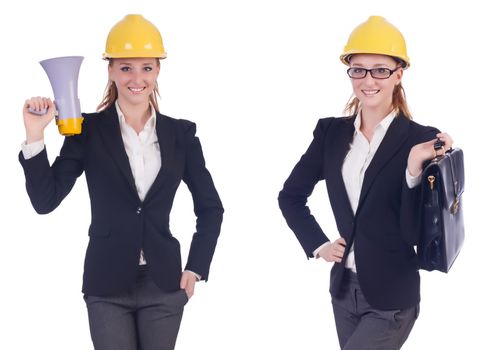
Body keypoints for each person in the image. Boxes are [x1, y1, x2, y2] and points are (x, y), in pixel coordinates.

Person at [19, 14, 223, 350]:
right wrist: (35, 136)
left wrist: (196, 267)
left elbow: (211, 207)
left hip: (164, 284)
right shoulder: (86, 130)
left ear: (158, 71)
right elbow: (45, 201)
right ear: (111, 71)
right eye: (126, 67)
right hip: (106, 285)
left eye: (146, 67)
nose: (136, 78)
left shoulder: (181, 134)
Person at [278, 16, 453, 349]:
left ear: (399, 74)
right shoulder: (330, 133)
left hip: (392, 297)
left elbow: (415, 232)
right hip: (344, 292)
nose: (368, 80)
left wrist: (415, 168)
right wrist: (320, 245)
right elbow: (290, 196)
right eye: (358, 69)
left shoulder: (421, 140)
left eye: (380, 70)